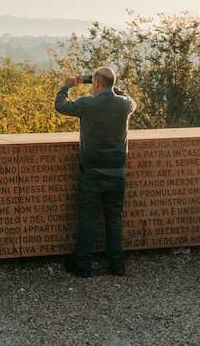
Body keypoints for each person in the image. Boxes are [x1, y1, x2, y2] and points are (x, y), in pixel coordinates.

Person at [54, 66, 136, 277]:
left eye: (94, 83)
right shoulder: (125, 104)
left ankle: (82, 265)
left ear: (96, 84)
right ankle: (117, 265)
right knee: (114, 218)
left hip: (92, 172)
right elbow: (128, 97)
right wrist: (109, 85)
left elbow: (60, 106)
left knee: (88, 219)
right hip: (117, 171)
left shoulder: (87, 104)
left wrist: (66, 86)